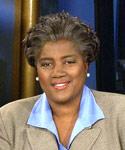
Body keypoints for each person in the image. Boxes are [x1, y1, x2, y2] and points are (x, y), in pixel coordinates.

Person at [0, 12, 125, 150]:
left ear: (85, 65)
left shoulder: (121, 112)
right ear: (36, 69)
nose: (58, 72)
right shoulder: (8, 118)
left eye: (69, 62)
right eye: (46, 64)